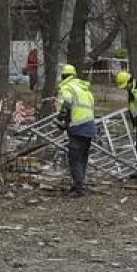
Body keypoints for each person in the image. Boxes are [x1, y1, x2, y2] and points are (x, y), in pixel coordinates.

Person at [56, 64, 95, 195]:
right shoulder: (84, 88)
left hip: (77, 127)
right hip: (89, 127)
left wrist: (62, 118)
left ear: (63, 76)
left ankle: (79, 188)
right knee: (82, 158)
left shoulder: (67, 87)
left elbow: (66, 103)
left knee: (74, 158)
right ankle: (79, 184)